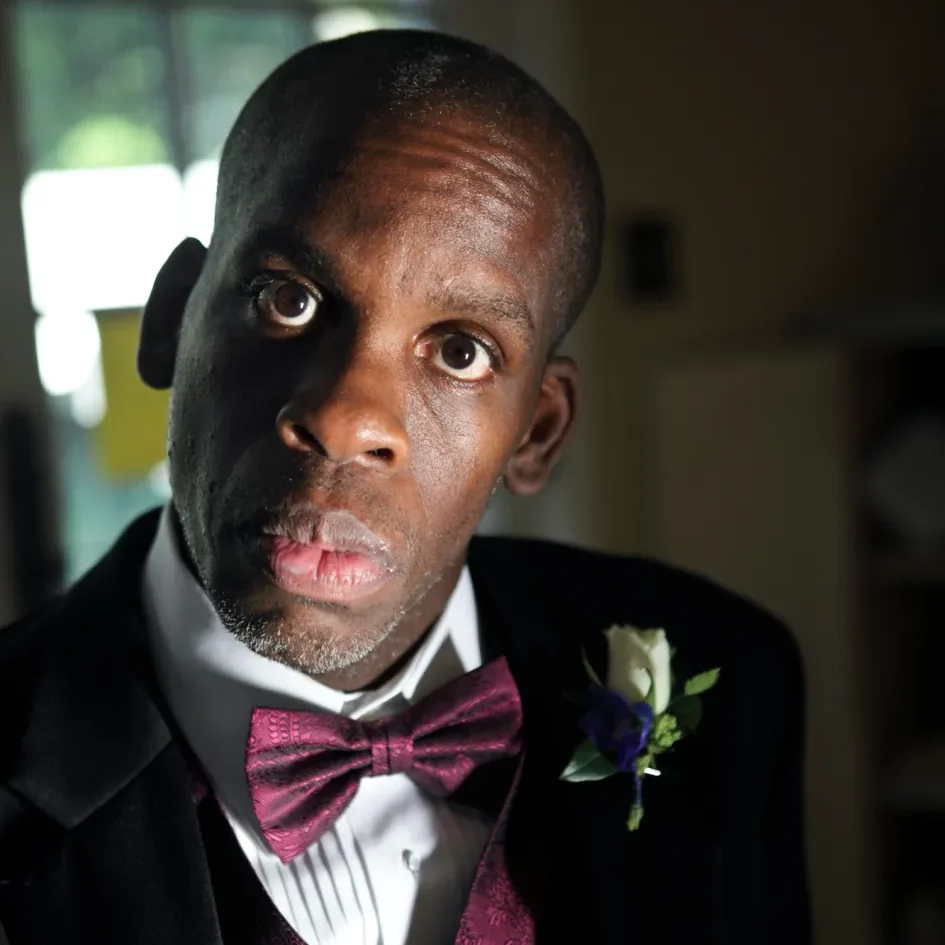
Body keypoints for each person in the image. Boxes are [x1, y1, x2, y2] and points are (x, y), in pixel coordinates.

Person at [0, 29, 808, 945]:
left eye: (460, 351)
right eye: (287, 298)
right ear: (172, 321)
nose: (347, 418)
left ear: (536, 430)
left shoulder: (734, 677)